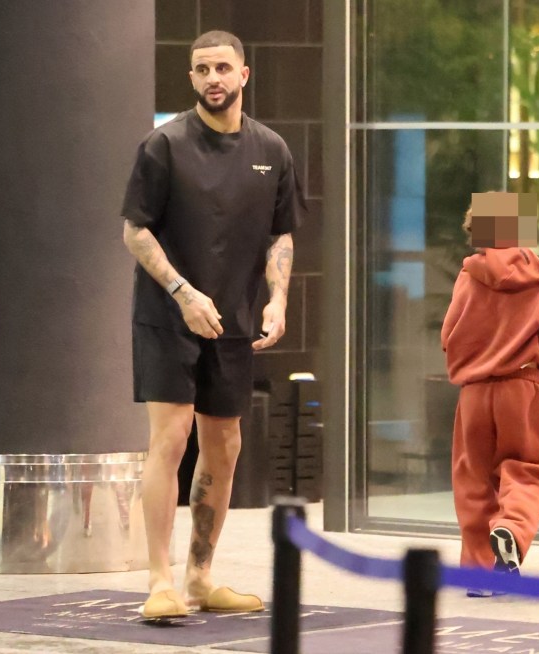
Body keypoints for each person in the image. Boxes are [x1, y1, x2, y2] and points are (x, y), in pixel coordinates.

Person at [121, 30, 304, 618]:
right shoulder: (164, 145)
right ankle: (160, 581)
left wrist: (277, 299)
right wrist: (181, 292)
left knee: (224, 446)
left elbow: (281, 233)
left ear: (245, 74)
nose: (212, 79)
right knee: (170, 440)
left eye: (223, 67)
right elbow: (135, 230)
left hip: (234, 320)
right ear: (192, 78)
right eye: (201, 70)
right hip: (169, 318)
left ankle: (200, 577)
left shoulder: (272, 149)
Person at [441, 193, 539, 597]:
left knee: (473, 481)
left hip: (474, 394)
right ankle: (511, 531)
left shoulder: (467, 278)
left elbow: (448, 335)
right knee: (528, 466)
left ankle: (480, 576)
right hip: (523, 387)